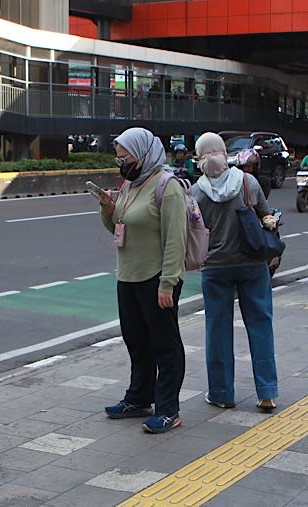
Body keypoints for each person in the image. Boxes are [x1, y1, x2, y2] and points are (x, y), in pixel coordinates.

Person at [98, 127, 188, 434]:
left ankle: (168, 410)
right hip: (129, 276)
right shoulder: (130, 183)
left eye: (126, 156)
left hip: (156, 278)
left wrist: (168, 282)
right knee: (136, 340)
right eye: (119, 156)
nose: (121, 161)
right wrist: (108, 210)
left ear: (144, 153)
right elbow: (118, 228)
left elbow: (177, 238)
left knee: (165, 344)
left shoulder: (167, 185)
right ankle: (139, 399)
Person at [192, 133, 279, 412]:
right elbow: (267, 218)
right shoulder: (247, 181)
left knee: (217, 330)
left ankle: (221, 393)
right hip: (252, 264)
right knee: (261, 325)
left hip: (215, 268)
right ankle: (266, 393)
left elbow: (194, 230)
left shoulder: (196, 191)